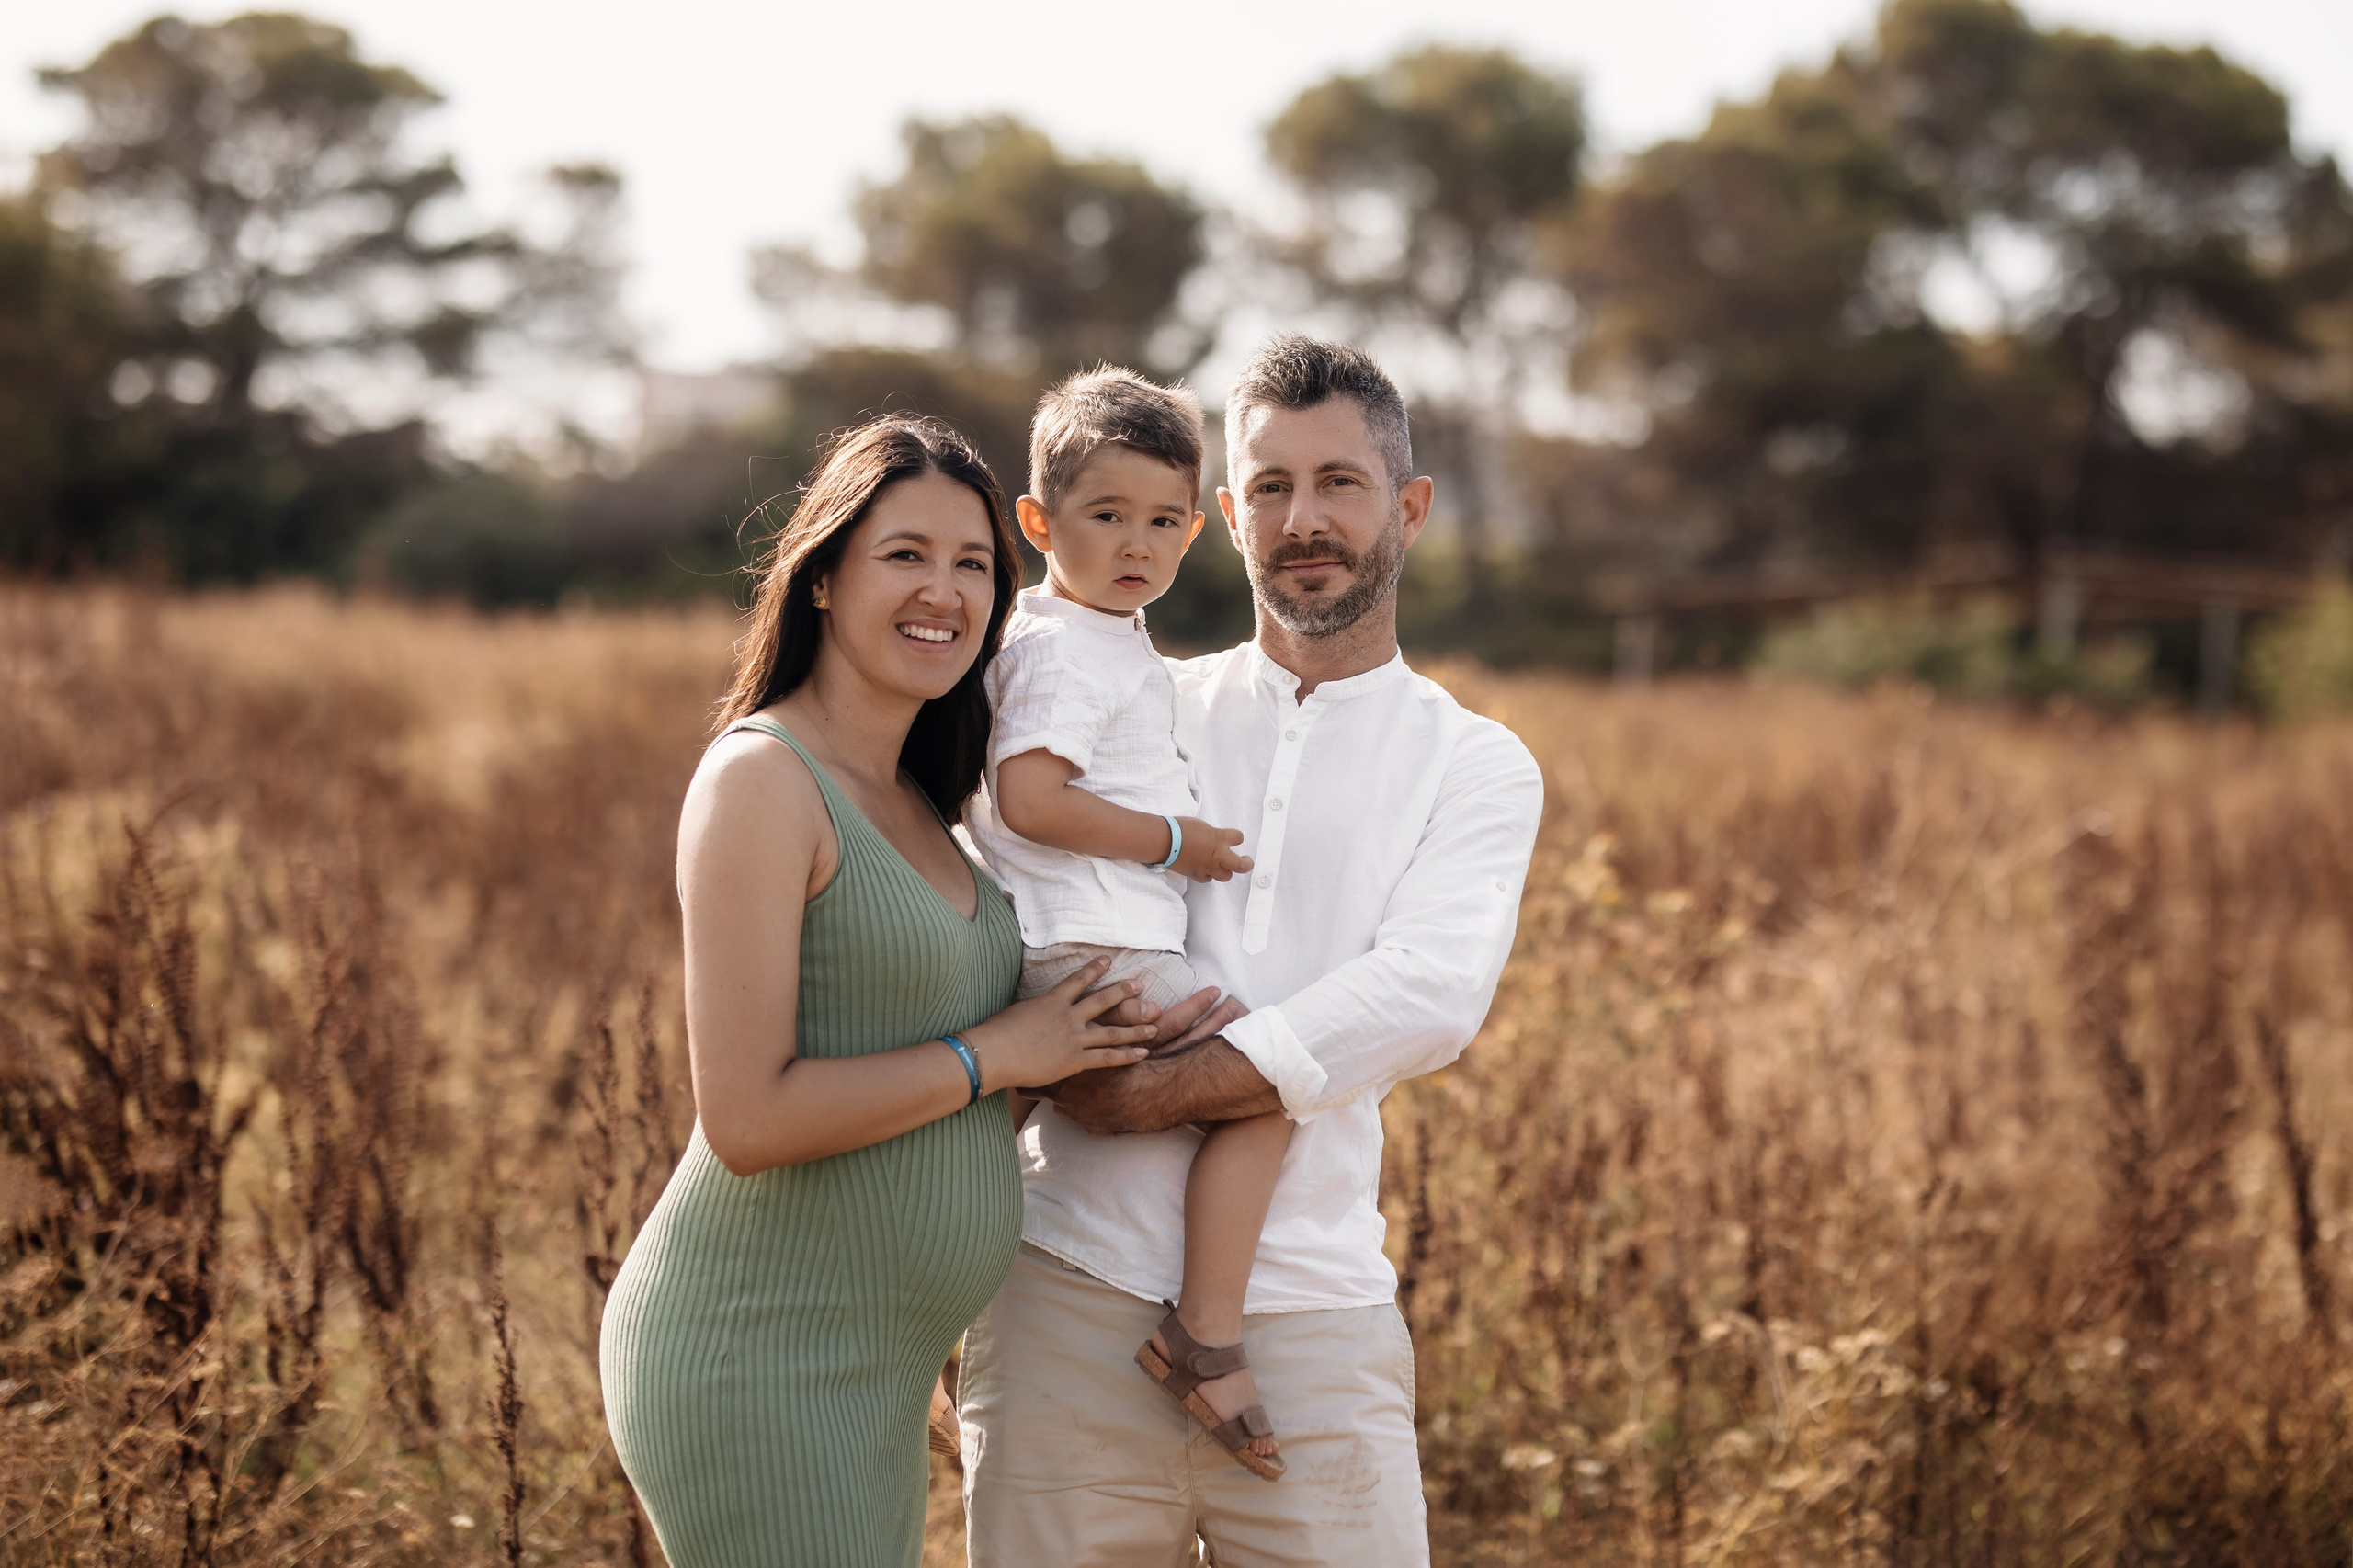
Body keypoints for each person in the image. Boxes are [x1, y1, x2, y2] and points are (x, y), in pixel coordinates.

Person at [957, 337, 1546, 1566]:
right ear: (1224, 515)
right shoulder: (1135, 700)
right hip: (1067, 1287)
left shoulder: (1474, 759)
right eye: (1269, 485)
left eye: (1341, 481)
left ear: (1412, 506)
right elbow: (992, 878)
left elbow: (1426, 996)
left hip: (1317, 1316)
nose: (1304, 517)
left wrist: (1137, 1090)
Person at [597, 414, 1169, 1568]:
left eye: (972, 565)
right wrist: (998, 1054)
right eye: (904, 553)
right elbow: (749, 1119)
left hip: (882, 1357)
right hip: (756, 1352)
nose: (944, 592)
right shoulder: (763, 779)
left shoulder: (935, 800)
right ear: (822, 578)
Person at [961, 366, 1293, 1480]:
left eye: (1162, 521)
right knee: (1269, 1086)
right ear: (1038, 522)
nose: (1136, 544)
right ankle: (1203, 1332)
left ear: (1198, 528)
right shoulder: (1061, 648)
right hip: (1092, 944)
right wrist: (1176, 841)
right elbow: (1031, 800)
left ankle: (932, 1317)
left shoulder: (1098, 635)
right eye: (1105, 517)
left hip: (1075, 937)